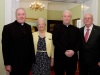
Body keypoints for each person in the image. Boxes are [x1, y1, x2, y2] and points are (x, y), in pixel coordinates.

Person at [2, 8, 35, 75]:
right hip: (14, 64)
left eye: (23, 14)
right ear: (16, 16)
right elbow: (5, 47)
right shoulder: (8, 28)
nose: (21, 16)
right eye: (19, 14)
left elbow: (31, 45)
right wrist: (7, 63)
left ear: (25, 16)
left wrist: (32, 60)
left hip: (27, 63)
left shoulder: (28, 27)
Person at [52, 10, 81, 75]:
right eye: (65, 16)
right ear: (62, 17)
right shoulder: (57, 28)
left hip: (72, 57)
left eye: (68, 16)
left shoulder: (76, 29)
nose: (66, 18)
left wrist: (73, 51)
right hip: (60, 57)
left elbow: (79, 42)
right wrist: (64, 51)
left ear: (71, 18)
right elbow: (55, 41)